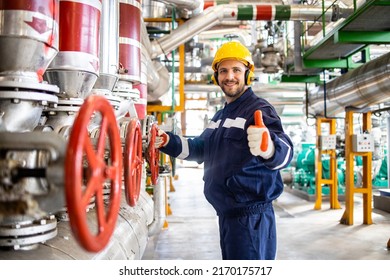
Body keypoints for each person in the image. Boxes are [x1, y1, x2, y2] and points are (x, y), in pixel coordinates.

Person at [154, 41, 293, 260]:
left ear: (247, 74)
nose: (230, 76)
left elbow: (285, 152)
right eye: (224, 71)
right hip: (228, 217)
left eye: (236, 70)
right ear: (216, 77)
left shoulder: (258, 109)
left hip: (251, 220)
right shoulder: (220, 117)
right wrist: (165, 141)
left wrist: (269, 147)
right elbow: (200, 149)